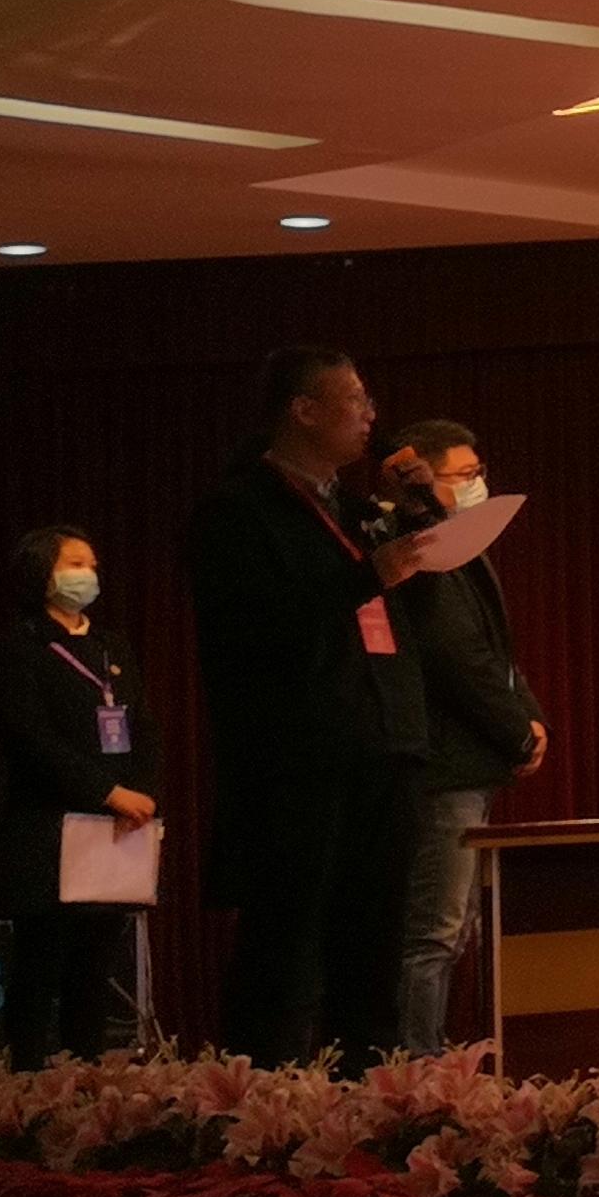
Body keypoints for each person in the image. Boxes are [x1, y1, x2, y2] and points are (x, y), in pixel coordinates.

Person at [186, 346, 429, 1069]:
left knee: (376, 941)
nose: (370, 415)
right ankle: (265, 1104)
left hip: (384, 743)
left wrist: (420, 512)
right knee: (287, 946)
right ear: (304, 411)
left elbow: (421, 608)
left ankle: (373, 1095)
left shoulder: (355, 509)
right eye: (354, 399)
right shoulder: (238, 511)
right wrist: (364, 577)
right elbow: (256, 630)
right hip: (299, 761)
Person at [385, 418, 547, 1052]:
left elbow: (497, 654)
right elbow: (456, 658)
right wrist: (515, 731)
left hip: (473, 766)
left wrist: (531, 718)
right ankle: (415, 1068)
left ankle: (442, 1059)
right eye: (464, 474)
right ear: (422, 479)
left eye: (481, 473)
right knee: (434, 931)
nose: (479, 484)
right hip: (443, 767)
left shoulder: (466, 550)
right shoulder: (420, 553)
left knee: (459, 931)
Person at [0, 528, 162, 1063]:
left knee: (95, 964)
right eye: (75, 563)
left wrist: (143, 793)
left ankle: (87, 1082)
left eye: (92, 565)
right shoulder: (17, 649)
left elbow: (143, 727)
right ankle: (30, 1083)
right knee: (40, 962)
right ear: (42, 574)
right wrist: (107, 791)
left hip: (115, 826)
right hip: (48, 823)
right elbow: (30, 739)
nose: (88, 574)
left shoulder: (111, 645)